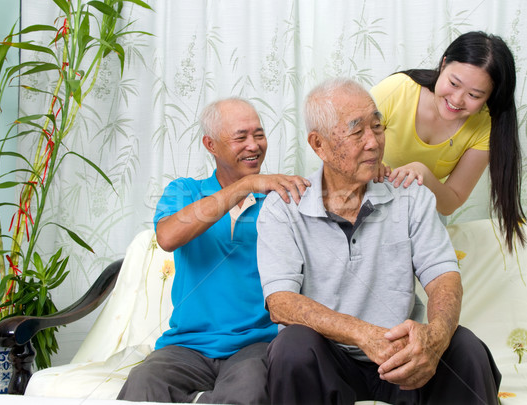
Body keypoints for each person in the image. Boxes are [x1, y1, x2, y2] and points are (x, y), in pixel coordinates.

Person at [257, 78, 501, 405]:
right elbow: (281, 302)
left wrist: (436, 336)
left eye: (378, 126)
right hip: (331, 358)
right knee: (292, 348)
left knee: (466, 348)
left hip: (403, 358)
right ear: (319, 145)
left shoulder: (411, 196)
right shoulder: (284, 206)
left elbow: (443, 275)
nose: (373, 142)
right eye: (357, 132)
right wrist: (363, 334)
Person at [117, 97, 310, 404]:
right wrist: (245, 186)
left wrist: (406, 170)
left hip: (256, 345)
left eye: (259, 135)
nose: (253, 145)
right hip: (186, 346)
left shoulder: (282, 199)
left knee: (249, 391)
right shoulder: (185, 191)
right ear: (211, 144)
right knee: (143, 382)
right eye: (240, 137)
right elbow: (167, 236)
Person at [370, 31, 526, 252]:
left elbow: (450, 202)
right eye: (454, 83)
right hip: (368, 201)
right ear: (443, 65)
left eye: (474, 95)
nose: (456, 100)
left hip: (423, 215)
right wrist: (370, 166)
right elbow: (342, 142)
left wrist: (423, 175)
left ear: (489, 97)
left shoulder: (484, 127)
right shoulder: (398, 90)